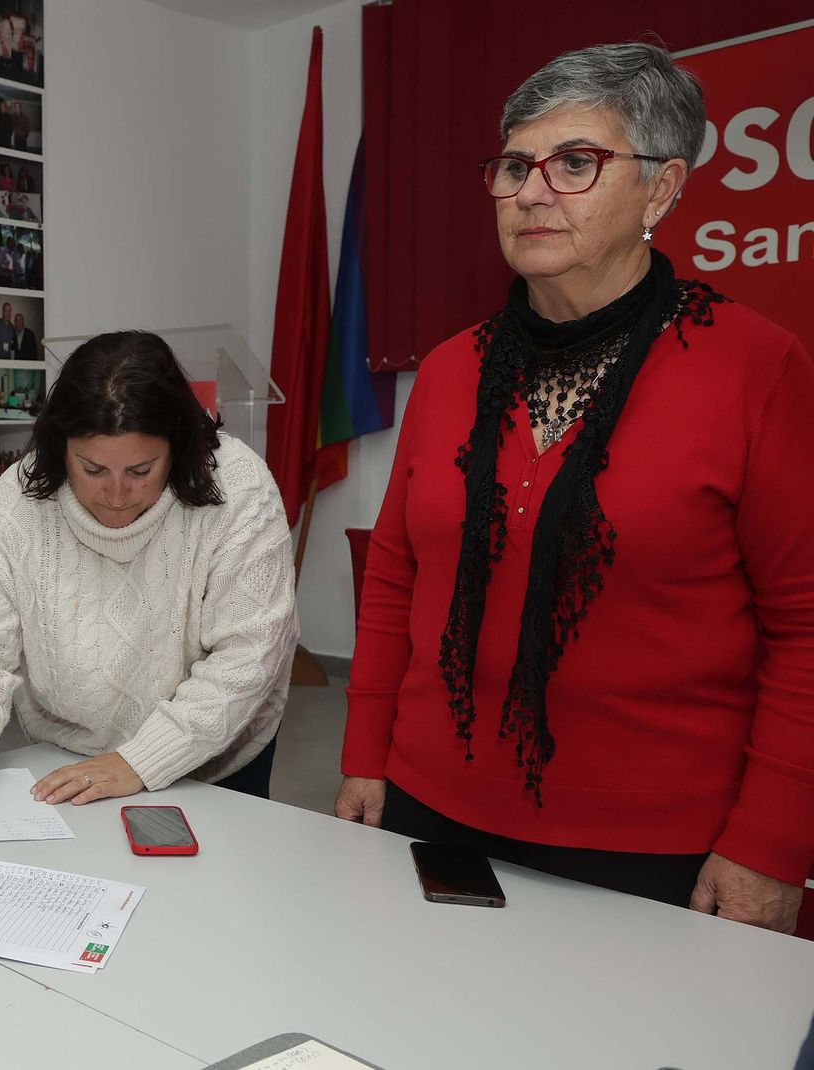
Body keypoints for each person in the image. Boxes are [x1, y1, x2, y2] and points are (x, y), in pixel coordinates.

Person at [336, 43, 814, 932]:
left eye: (575, 163)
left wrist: (771, 841)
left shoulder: (756, 368)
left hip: (659, 847)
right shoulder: (448, 371)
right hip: (429, 808)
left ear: (662, 191)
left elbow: (807, 625)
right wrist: (367, 757)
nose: (531, 190)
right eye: (515, 165)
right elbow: (396, 579)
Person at [0, 331, 298, 817]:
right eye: (93, 469)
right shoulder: (14, 505)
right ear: (60, 450)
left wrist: (139, 761)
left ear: (178, 446)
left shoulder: (240, 491)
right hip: (67, 756)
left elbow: (248, 656)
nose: (116, 494)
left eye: (141, 470)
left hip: (216, 760)